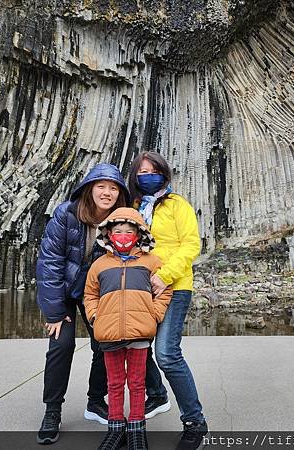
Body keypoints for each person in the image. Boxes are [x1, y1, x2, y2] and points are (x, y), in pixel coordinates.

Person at [35, 163, 130, 445]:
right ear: (89, 189)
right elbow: (49, 263)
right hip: (63, 292)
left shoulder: (120, 221)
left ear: (120, 194)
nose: (107, 192)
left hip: (95, 293)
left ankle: (95, 400)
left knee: (104, 343)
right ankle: (52, 410)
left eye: (113, 188)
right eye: (101, 186)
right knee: (61, 345)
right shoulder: (66, 214)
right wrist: (53, 313)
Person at [128, 151, 208, 450]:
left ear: (164, 173)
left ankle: (195, 421)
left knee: (167, 354)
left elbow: (191, 245)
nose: (148, 175)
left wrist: (166, 275)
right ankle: (157, 395)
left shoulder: (177, 205)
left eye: (154, 170)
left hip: (174, 287)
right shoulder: (134, 208)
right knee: (136, 344)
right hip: (140, 289)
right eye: (142, 171)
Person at [84, 207, 172, 450]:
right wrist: (94, 317)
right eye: (118, 231)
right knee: (114, 383)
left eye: (129, 232)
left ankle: (136, 427)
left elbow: (165, 291)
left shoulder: (151, 261)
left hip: (140, 334)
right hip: (109, 333)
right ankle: (115, 428)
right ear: (109, 235)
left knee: (136, 382)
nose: (123, 236)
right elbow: (90, 294)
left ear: (139, 234)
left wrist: (153, 316)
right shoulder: (99, 265)